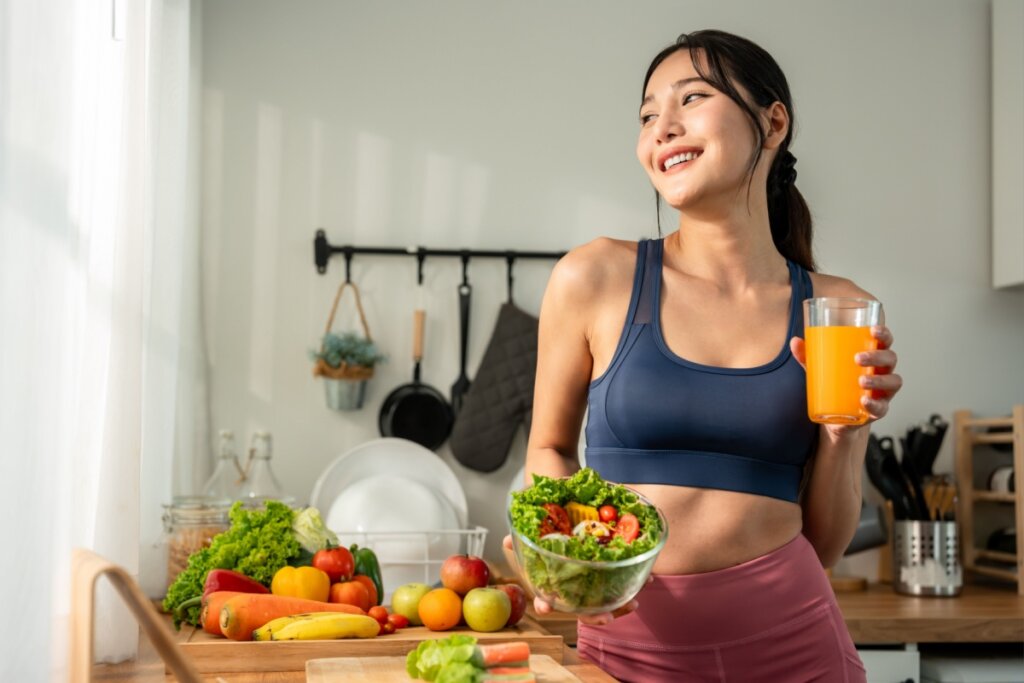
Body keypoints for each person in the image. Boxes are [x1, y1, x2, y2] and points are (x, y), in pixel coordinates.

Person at [506, 30, 903, 682]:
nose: (662, 127)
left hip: (796, 647)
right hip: (627, 651)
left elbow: (825, 545)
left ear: (773, 123)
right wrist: (557, 556)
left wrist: (842, 433)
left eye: (691, 98)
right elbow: (549, 448)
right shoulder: (596, 276)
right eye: (646, 115)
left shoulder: (838, 310)